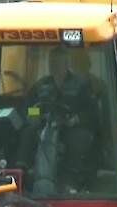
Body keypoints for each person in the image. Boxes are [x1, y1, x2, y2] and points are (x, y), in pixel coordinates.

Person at [17, 47, 99, 195]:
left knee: (77, 139)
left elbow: (92, 112)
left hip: (70, 127)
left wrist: (76, 119)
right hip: (44, 126)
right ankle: (21, 173)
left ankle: (70, 180)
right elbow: (27, 108)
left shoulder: (81, 85)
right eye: (52, 62)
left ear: (66, 63)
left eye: (58, 62)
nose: (55, 65)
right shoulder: (41, 85)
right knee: (27, 132)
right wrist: (34, 115)